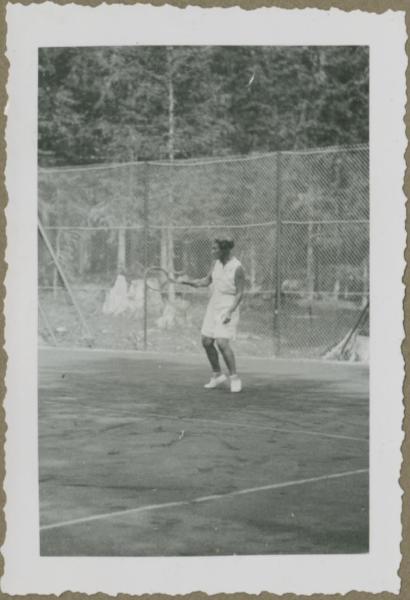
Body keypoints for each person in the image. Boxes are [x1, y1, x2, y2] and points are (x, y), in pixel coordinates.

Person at [186, 237, 245, 393]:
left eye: (215, 249)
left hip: (228, 305)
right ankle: (217, 374)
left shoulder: (237, 267)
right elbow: (206, 281)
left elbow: (240, 293)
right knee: (206, 341)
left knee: (222, 342)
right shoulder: (216, 263)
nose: (212, 251)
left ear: (224, 250)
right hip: (214, 304)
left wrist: (230, 312)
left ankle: (234, 378)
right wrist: (189, 282)